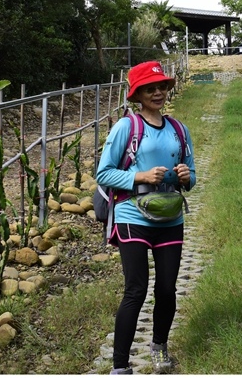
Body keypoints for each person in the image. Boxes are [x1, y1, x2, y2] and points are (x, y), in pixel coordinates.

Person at [96, 61, 197, 375]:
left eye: (162, 87)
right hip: (131, 214)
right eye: (150, 88)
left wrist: (184, 176)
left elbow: (192, 178)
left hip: (170, 217)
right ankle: (120, 366)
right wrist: (140, 175)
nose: (157, 93)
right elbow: (103, 172)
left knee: (167, 289)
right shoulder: (126, 127)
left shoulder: (179, 129)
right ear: (136, 94)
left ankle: (159, 347)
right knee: (136, 289)